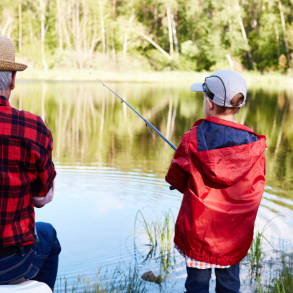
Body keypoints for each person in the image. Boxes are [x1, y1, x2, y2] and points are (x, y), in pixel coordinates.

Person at [165, 70, 266, 293]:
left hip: (198, 236)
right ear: (239, 105)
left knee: (196, 287)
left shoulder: (191, 137)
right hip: (233, 236)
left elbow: (176, 179)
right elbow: (255, 189)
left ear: (209, 103)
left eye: (203, 97)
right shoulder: (254, 146)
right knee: (230, 287)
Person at [0, 36, 61, 291]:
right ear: (12, 80)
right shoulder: (33, 128)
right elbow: (41, 197)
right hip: (12, 260)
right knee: (50, 237)